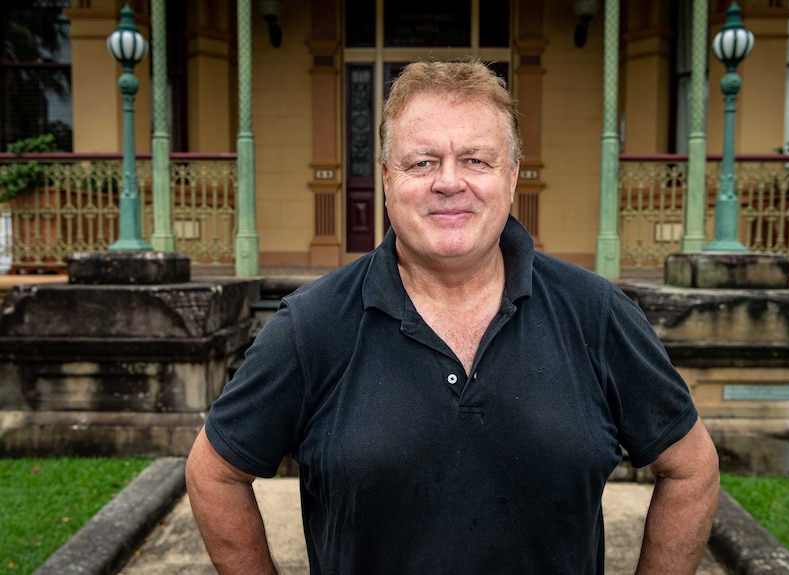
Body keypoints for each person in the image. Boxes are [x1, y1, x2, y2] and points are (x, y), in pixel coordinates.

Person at [186, 59, 720, 575]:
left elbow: (692, 469)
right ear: (387, 178)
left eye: (476, 160)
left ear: (511, 177)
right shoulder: (311, 326)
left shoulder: (596, 314)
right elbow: (214, 474)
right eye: (422, 162)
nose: (449, 182)